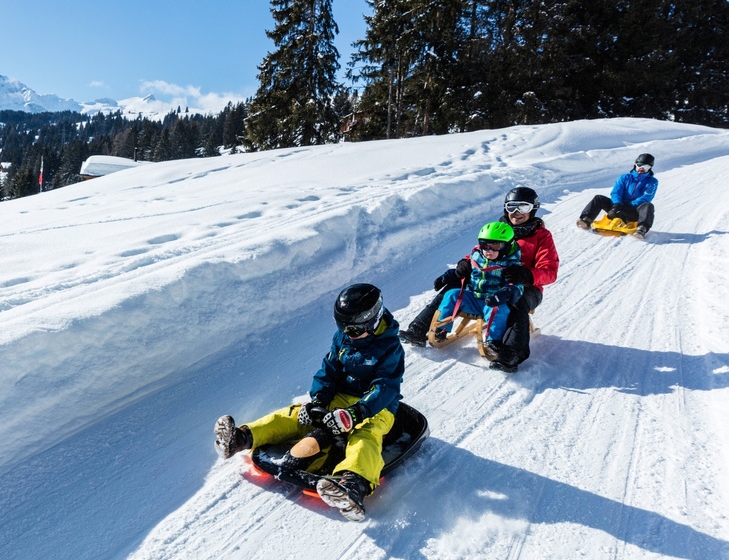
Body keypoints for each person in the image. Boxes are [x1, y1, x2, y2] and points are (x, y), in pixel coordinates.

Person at [213, 283, 404, 521]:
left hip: (377, 407)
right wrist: (320, 399)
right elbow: (330, 368)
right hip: (341, 396)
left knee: (366, 435)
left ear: (372, 322)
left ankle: (353, 484)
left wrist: (357, 412)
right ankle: (241, 437)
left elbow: (385, 387)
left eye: (352, 329)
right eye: (341, 327)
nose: (346, 333)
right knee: (297, 414)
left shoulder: (390, 348)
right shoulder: (343, 337)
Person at [399, 188, 559, 370]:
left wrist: (527, 274)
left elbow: (550, 271)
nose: (516, 213)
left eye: (523, 207)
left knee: (517, 301)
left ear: (534, 209)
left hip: (525, 285)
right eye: (511, 207)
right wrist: (464, 265)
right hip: (490, 277)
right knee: (455, 285)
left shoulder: (542, 237)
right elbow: (479, 253)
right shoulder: (497, 229)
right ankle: (419, 329)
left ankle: (511, 353)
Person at [431, 222, 524, 354]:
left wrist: (505, 294)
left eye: (495, 246)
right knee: (452, 294)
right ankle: (442, 329)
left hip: (492, 302)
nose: (489, 250)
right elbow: (463, 271)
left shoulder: (512, 265)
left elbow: (517, 287)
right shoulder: (476, 256)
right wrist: (447, 276)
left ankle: (494, 341)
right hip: (473, 298)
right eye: (485, 245)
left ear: (507, 246)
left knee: (498, 310)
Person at [577, 153, 658, 239]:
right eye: (640, 165)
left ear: (650, 168)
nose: (642, 168)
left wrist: (630, 206)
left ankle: (642, 229)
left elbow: (647, 197)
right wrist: (617, 204)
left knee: (648, 206)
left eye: (646, 167)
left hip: (634, 210)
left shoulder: (652, 181)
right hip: (617, 207)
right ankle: (586, 220)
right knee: (598, 198)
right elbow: (616, 192)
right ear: (635, 164)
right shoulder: (625, 177)